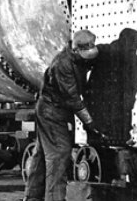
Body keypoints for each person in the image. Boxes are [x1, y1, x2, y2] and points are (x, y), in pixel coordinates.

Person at [24, 30, 107, 201]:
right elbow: (73, 99)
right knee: (59, 154)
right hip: (51, 111)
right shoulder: (63, 64)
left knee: (41, 156)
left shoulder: (78, 59)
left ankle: (32, 197)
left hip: (55, 110)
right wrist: (89, 122)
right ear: (76, 50)